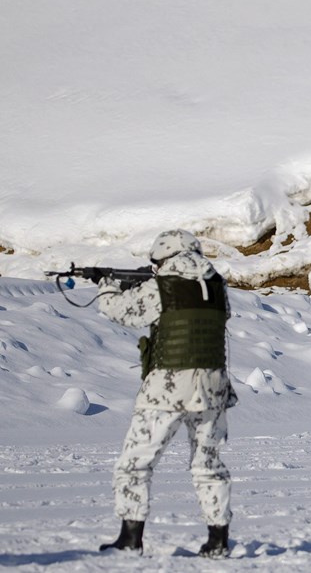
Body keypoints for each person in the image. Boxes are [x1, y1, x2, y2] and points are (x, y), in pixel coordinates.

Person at [95, 230, 237, 557]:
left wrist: (107, 286)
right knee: (208, 465)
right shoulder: (217, 286)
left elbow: (121, 311)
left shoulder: (163, 285)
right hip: (213, 387)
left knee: (135, 462)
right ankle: (218, 541)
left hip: (167, 389)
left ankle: (130, 538)